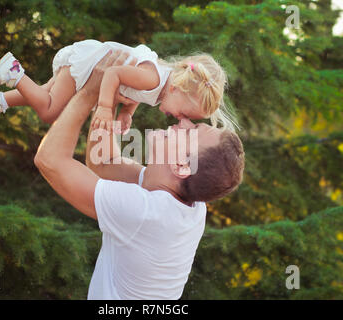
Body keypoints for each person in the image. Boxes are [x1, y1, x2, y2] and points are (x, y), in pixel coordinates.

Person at [33, 50, 245, 299]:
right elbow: (104, 163)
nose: (184, 121)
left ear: (180, 166)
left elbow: (49, 161)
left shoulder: (146, 213)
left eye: (192, 130)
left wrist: (91, 92)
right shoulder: (184, 202)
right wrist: (108, 100)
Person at [0, 39, 237, 138]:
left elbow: (133, 94)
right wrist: (103, 107)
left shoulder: (159, 89)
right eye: (186, 113)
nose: (182, 119)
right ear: (180, 90)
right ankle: (12, 71)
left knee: (42, 94)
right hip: (92, 63)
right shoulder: (154, 80)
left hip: (90, 60)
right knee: (49, 111)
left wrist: (126, 114)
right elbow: (113, 73)